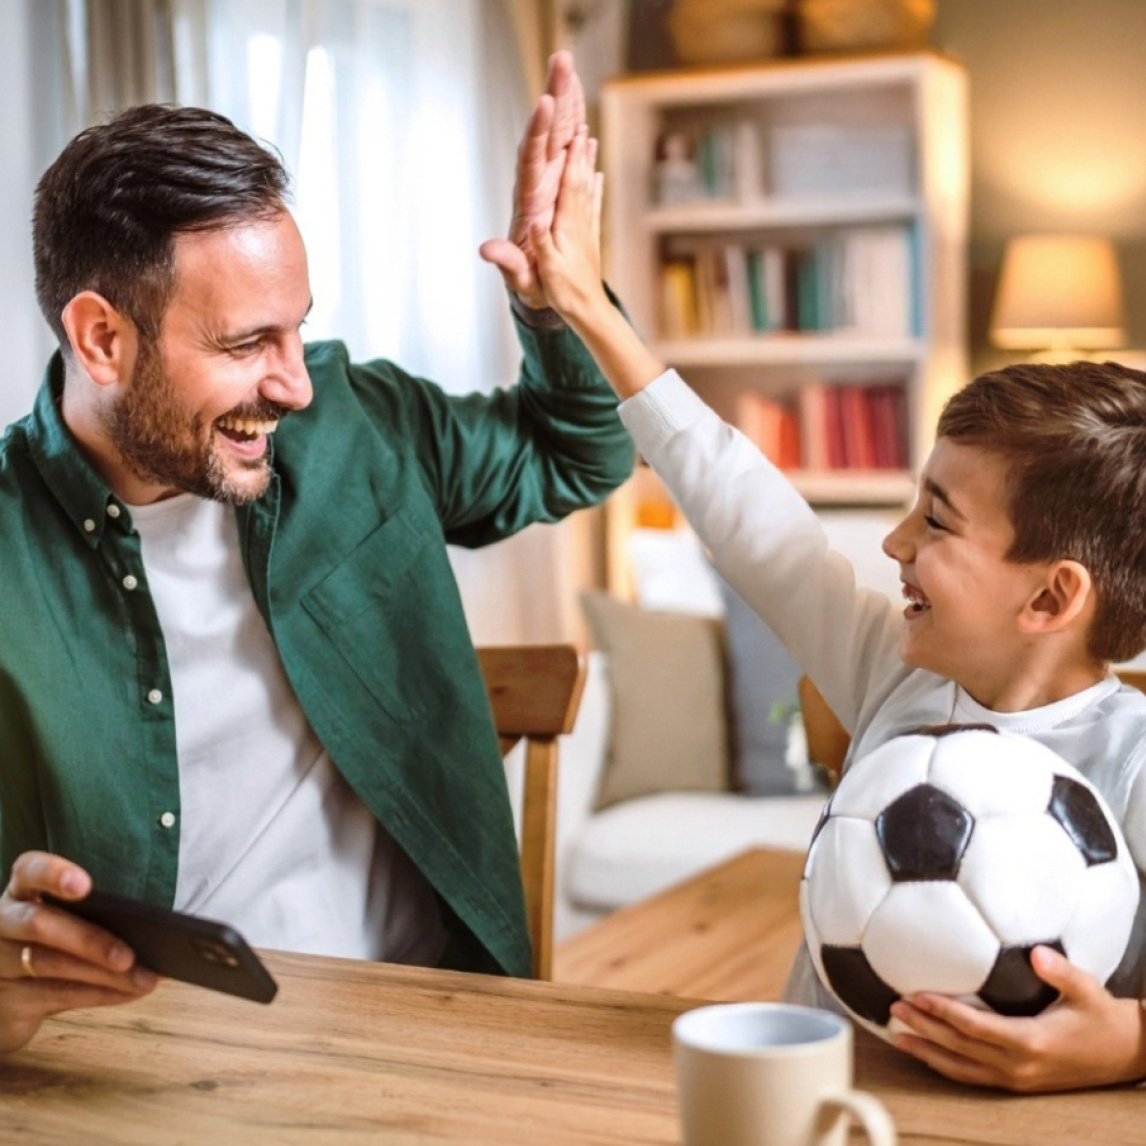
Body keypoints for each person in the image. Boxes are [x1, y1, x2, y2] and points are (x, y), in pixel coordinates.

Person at [0, 52, 634, 1056]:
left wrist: (562, 299)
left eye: (299, 331)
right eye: (248, 343)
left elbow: (580, 450)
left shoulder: (356, 425)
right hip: (141, 1063)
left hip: (428, 1026)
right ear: (102, 340)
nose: (294, 384)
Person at [531, 129, 1146, 1092]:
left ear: (1051, 596)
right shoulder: (892, 667)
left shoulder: (1136, 759)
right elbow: (749, 513)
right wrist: (584, 305)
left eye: (935, 523)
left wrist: (1130, 1044)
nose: (895, 543)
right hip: (821, 1104)